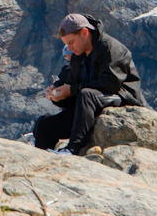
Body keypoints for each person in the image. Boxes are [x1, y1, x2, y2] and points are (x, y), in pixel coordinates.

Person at [33, 13, 147, 155]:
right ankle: (42, 159)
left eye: (71, 42)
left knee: (87, 95)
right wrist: (58, 95)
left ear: (85, 32)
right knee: (44, 126)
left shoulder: (110, 48)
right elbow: (73, 91)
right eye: (66, 44)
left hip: (122, 98)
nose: (69, 48)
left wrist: (72, 90)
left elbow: (111, 83)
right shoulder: (78, 57)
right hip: (90, 103)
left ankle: (72, 149)